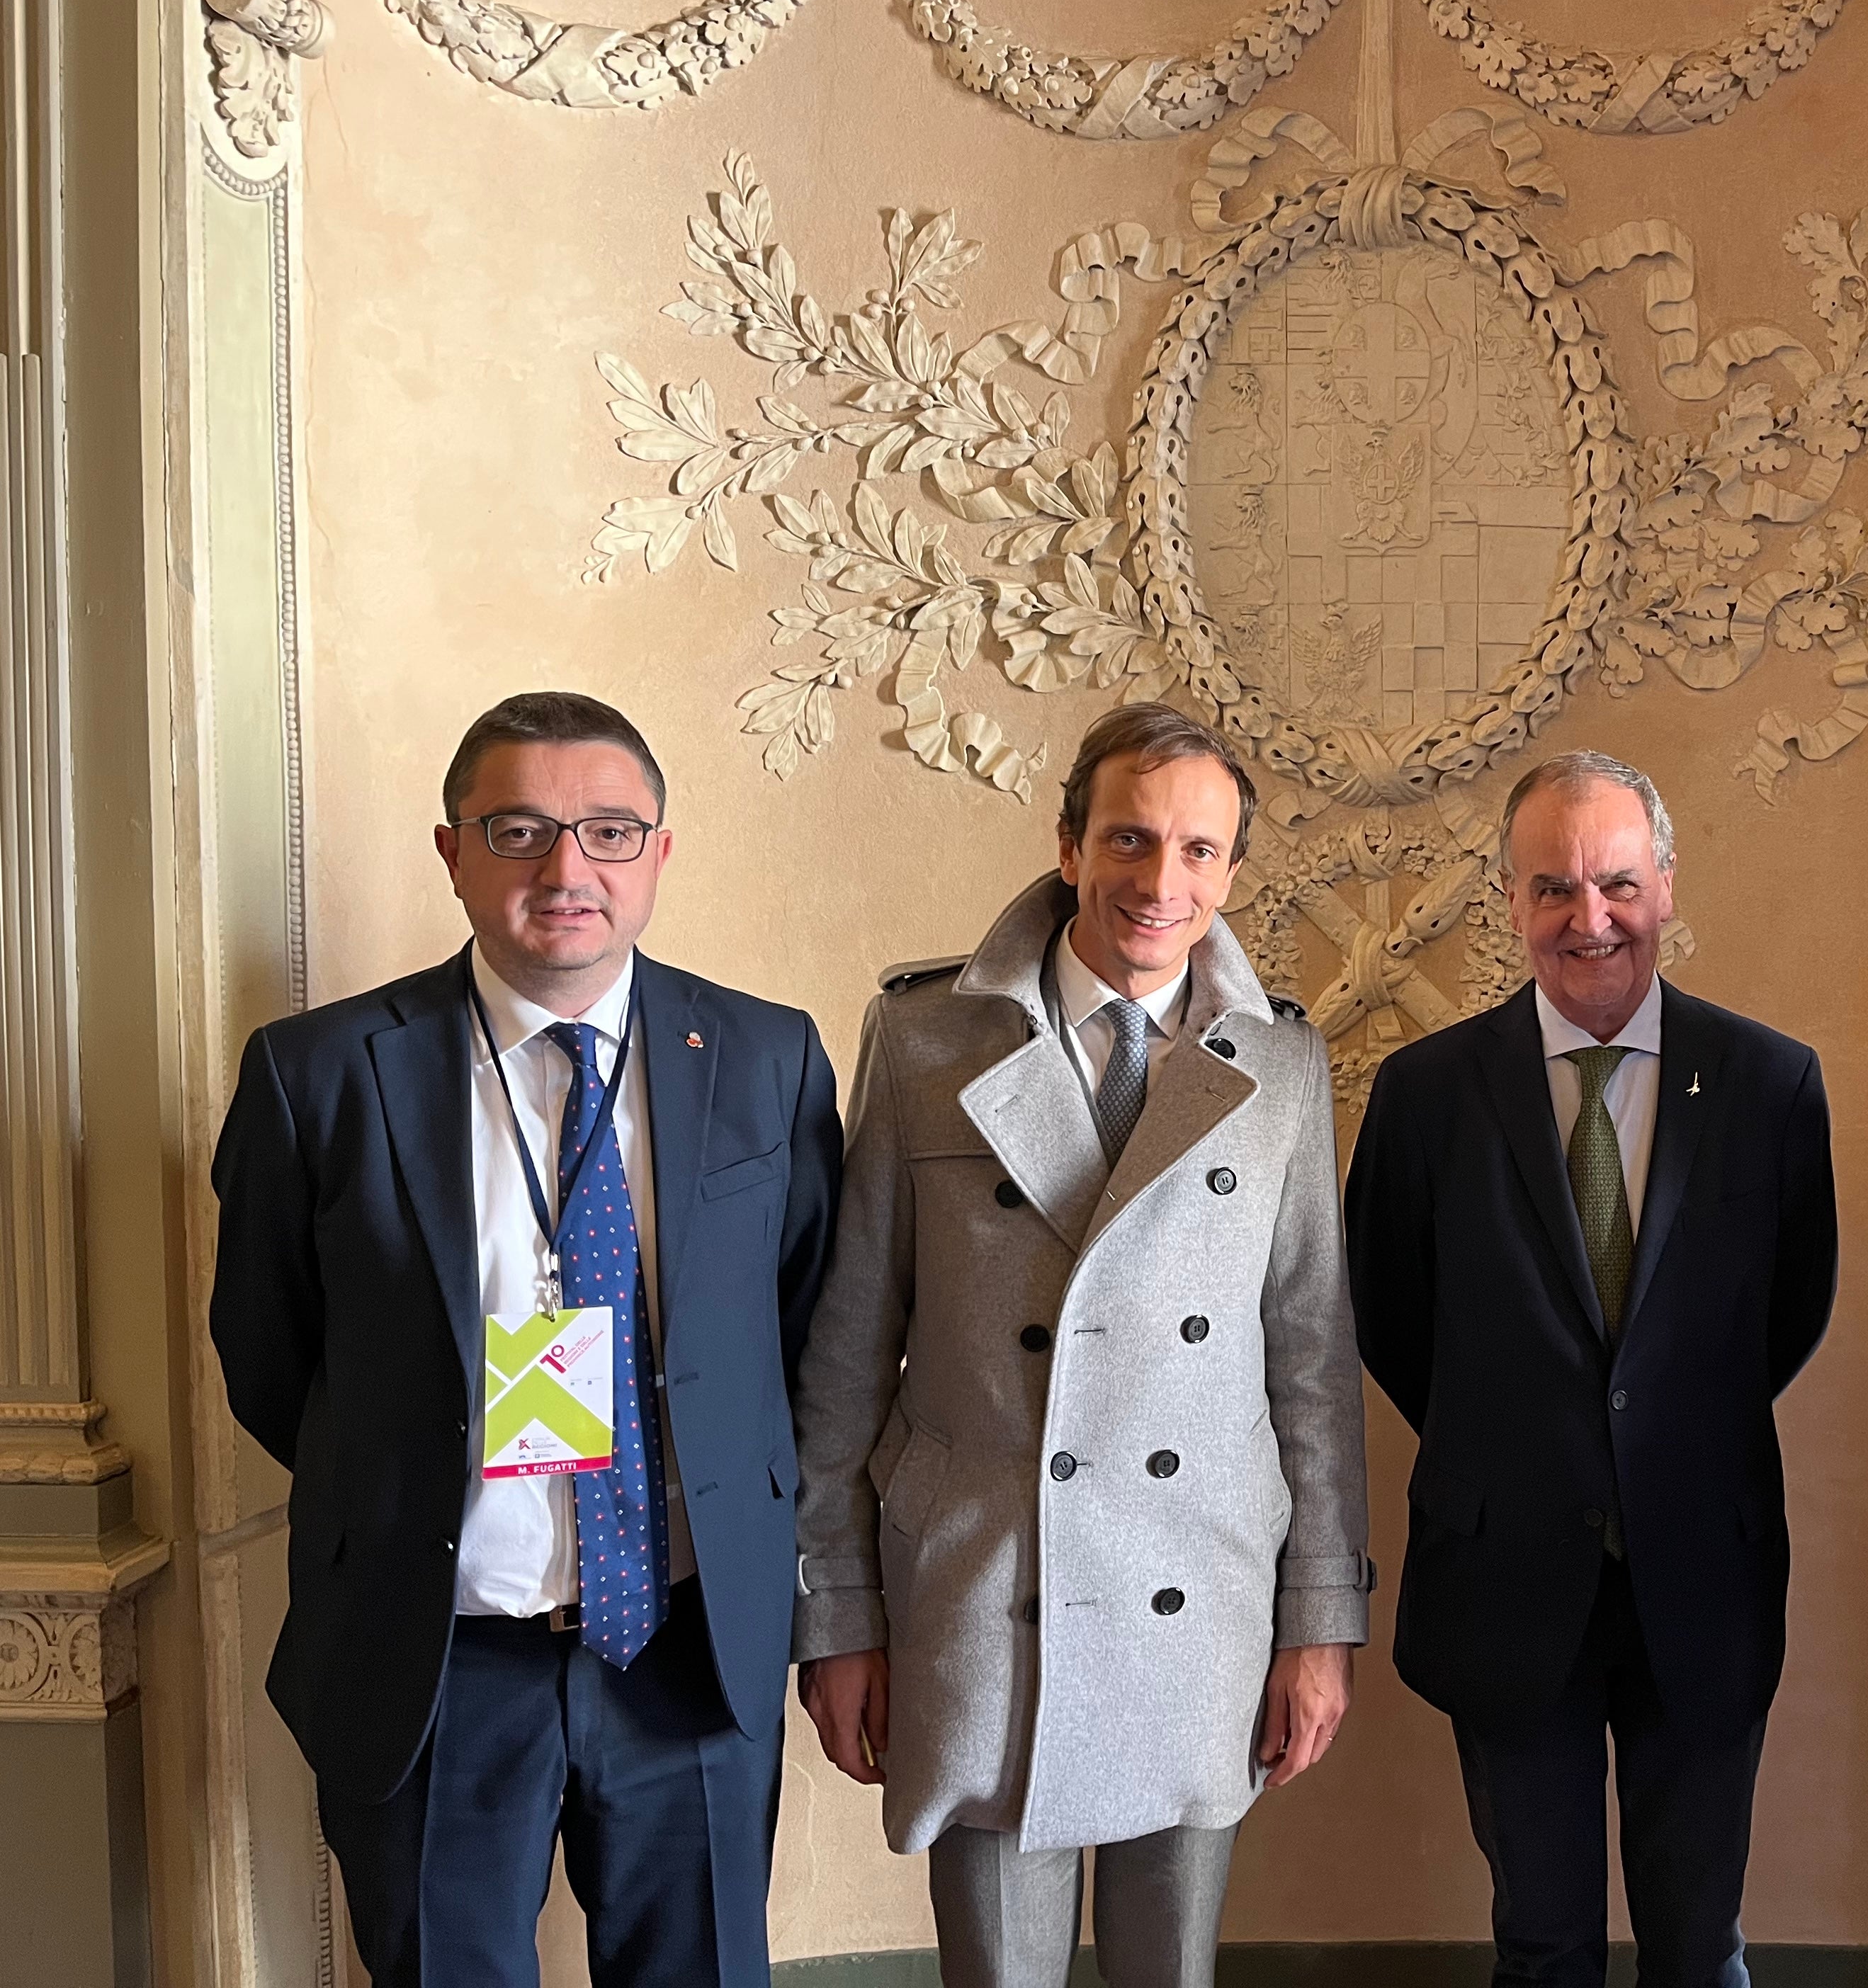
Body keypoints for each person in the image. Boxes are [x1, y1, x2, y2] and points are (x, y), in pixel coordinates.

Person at [208, 691, 844, 1987]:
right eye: (521, 830)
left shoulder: (769, 1058)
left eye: (611, 832)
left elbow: (800, 1330)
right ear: (452, 851)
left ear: (661, 853)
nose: (568, 870)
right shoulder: (319, 1074)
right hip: (435, 1663)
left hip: (687, 1651)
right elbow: (272, 1356)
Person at [791, 702, 1369, 1988]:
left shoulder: (1282, 1064)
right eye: (1130, 839)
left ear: (1230, 871)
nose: (1162, 885)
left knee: (1173, 1973)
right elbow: (846, 1351)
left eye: (1200, 852)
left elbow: (1311, 1363)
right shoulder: (925, 1037)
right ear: (1068, 846)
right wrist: (834, 1612)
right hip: (986, 1586)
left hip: (1201, 1581)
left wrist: (1319, 1621)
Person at [1345, 750, 1838, 1988]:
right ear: (1510, 901)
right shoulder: (1424, 1095)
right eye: (1553, 888)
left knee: (1698, 1942)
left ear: (1668, 887)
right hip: (1505, 1575)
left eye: (1618, 883)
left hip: (1704, 1572)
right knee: (1542, 1941)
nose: (1591, 919)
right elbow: (1395, 1323)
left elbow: (1792, 1306)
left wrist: (1650, 1430)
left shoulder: (1772, 1083)